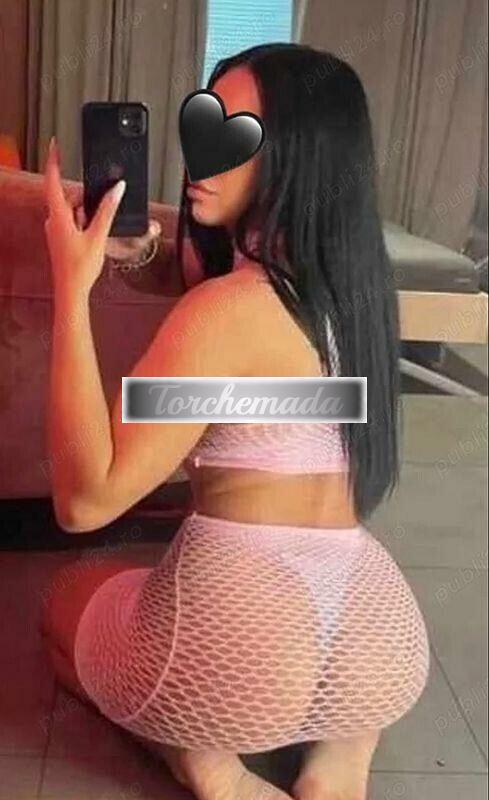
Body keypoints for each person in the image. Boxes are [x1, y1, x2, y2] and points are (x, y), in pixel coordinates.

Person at [40, 44, 430, 800]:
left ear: (296, 155)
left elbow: (86, 501)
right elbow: (261, 382)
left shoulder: (223, 314)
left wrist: (70, 288)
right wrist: (136, 255)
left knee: (69, 600)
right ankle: (335, 770)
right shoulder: (360, 295)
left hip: (242, 645)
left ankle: (212, 770)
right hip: (374, 636)